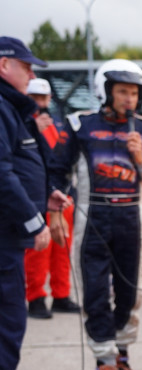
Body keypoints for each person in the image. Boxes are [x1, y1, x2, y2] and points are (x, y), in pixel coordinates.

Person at [51, 58, 142, 370]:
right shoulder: (79, 125)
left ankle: (121, 358)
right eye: (122, 91)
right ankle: (104, 367)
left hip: (133, 218)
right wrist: (58, 211)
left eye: (134, 93)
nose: (129, 99)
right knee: (93, 293)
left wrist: (141, 159)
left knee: (131, 293)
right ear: (105, 91)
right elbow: (56, 172)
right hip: (91, 218)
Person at [0, 36, 70, 370]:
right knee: (7, 324)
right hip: (5, 238)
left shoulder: (11, 108)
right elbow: (1, 173)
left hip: (9, 235)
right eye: (26, 66)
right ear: (4, 65)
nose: (32, 73)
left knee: (8, 323)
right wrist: (33, 220)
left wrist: (46, 197)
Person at [24, 77, 79, 319]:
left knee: (63, 247)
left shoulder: (56, 125)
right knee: (38, 250)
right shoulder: (22, 125)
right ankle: (35, 298)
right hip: (37, 197)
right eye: (35, 98)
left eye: (43, 98)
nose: (40, 103)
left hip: (63, 195)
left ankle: (61, 295)